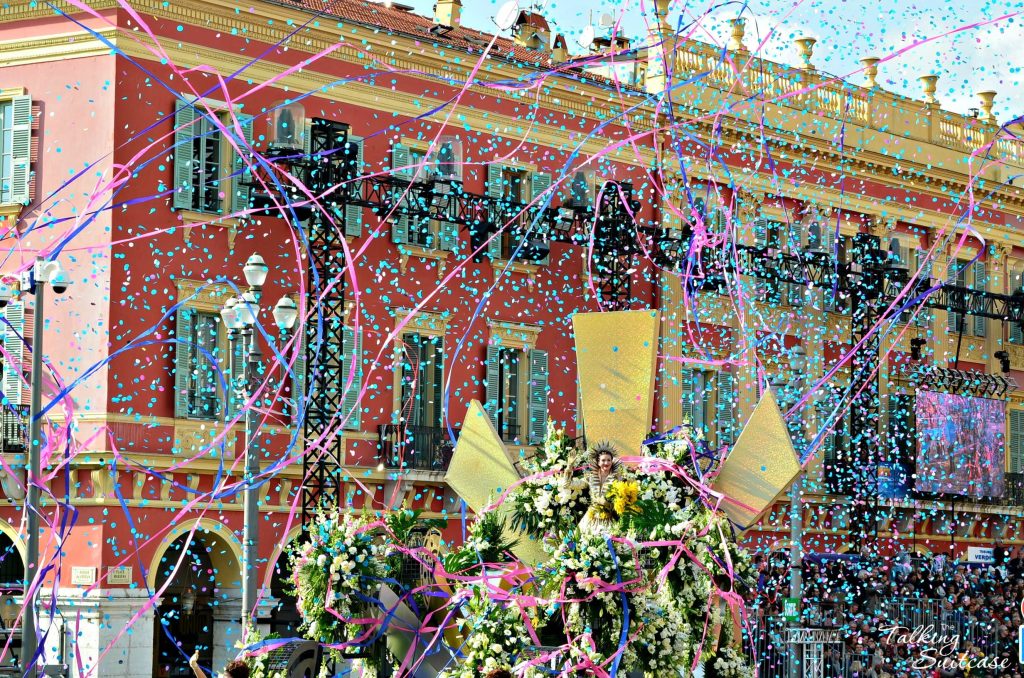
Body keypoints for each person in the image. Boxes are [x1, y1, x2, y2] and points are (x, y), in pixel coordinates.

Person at [578, 442, 621, 534]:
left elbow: (621, 499)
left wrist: (608, 504)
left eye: (609, 460)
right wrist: (568, 471)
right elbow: (571, 485)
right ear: (598, 462)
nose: (606, 463)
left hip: (609, 519)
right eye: (603, 460)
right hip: (591, 518)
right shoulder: (590, 477)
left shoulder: (617, 479)